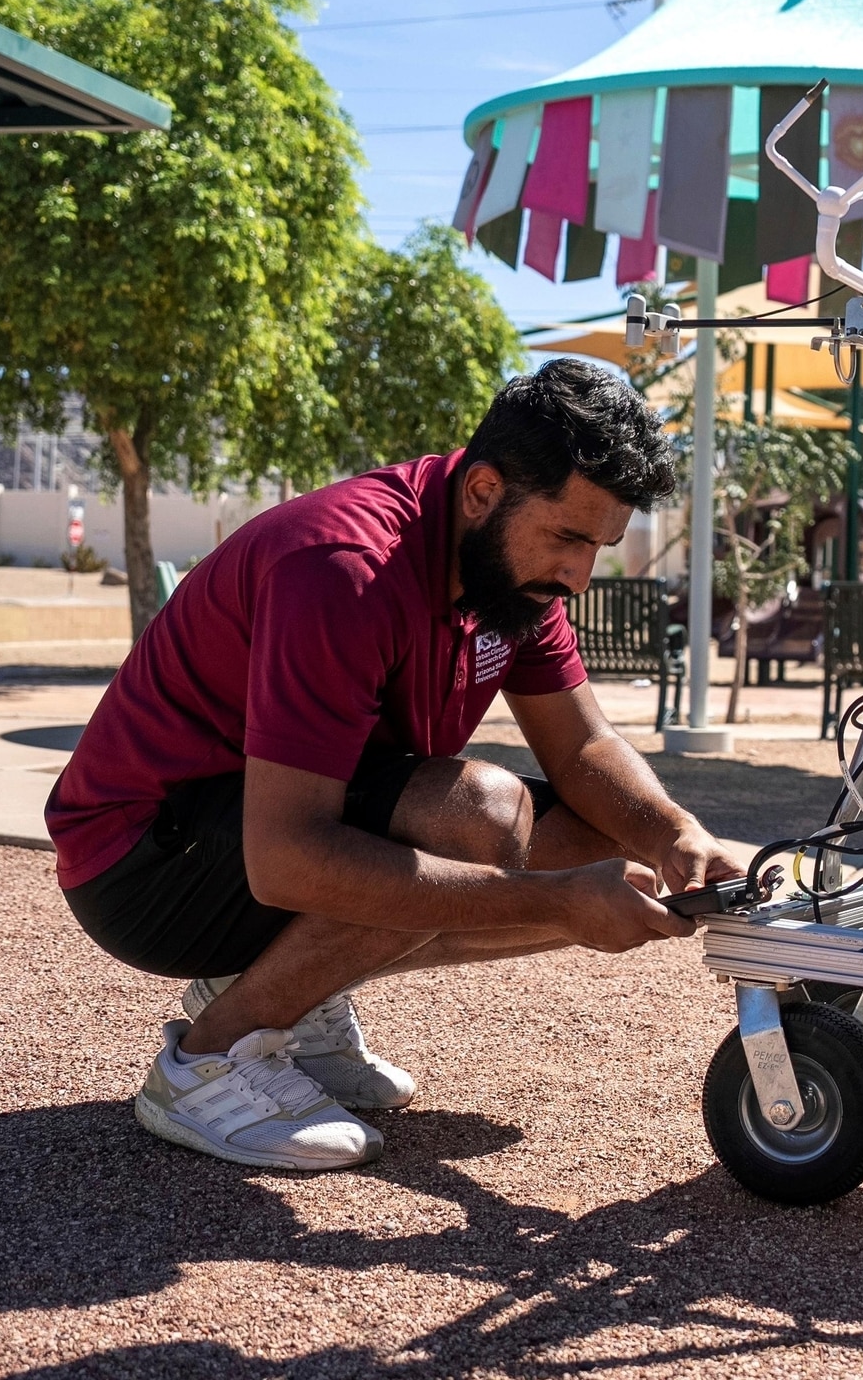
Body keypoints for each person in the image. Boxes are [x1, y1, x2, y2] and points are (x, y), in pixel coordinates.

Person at [47, 361, 740, 1172]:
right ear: (483, 492)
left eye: (600, 545)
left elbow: (584, 749)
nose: (579, 576)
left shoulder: (510, 576)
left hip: (262, 834)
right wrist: (547, 902)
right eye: (568, 538)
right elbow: (286, 858)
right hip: (139, 867)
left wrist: (676, 835)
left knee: (609, 858)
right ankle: (208, 1060)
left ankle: (294, 1012)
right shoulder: (344, 567)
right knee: (480, 815)